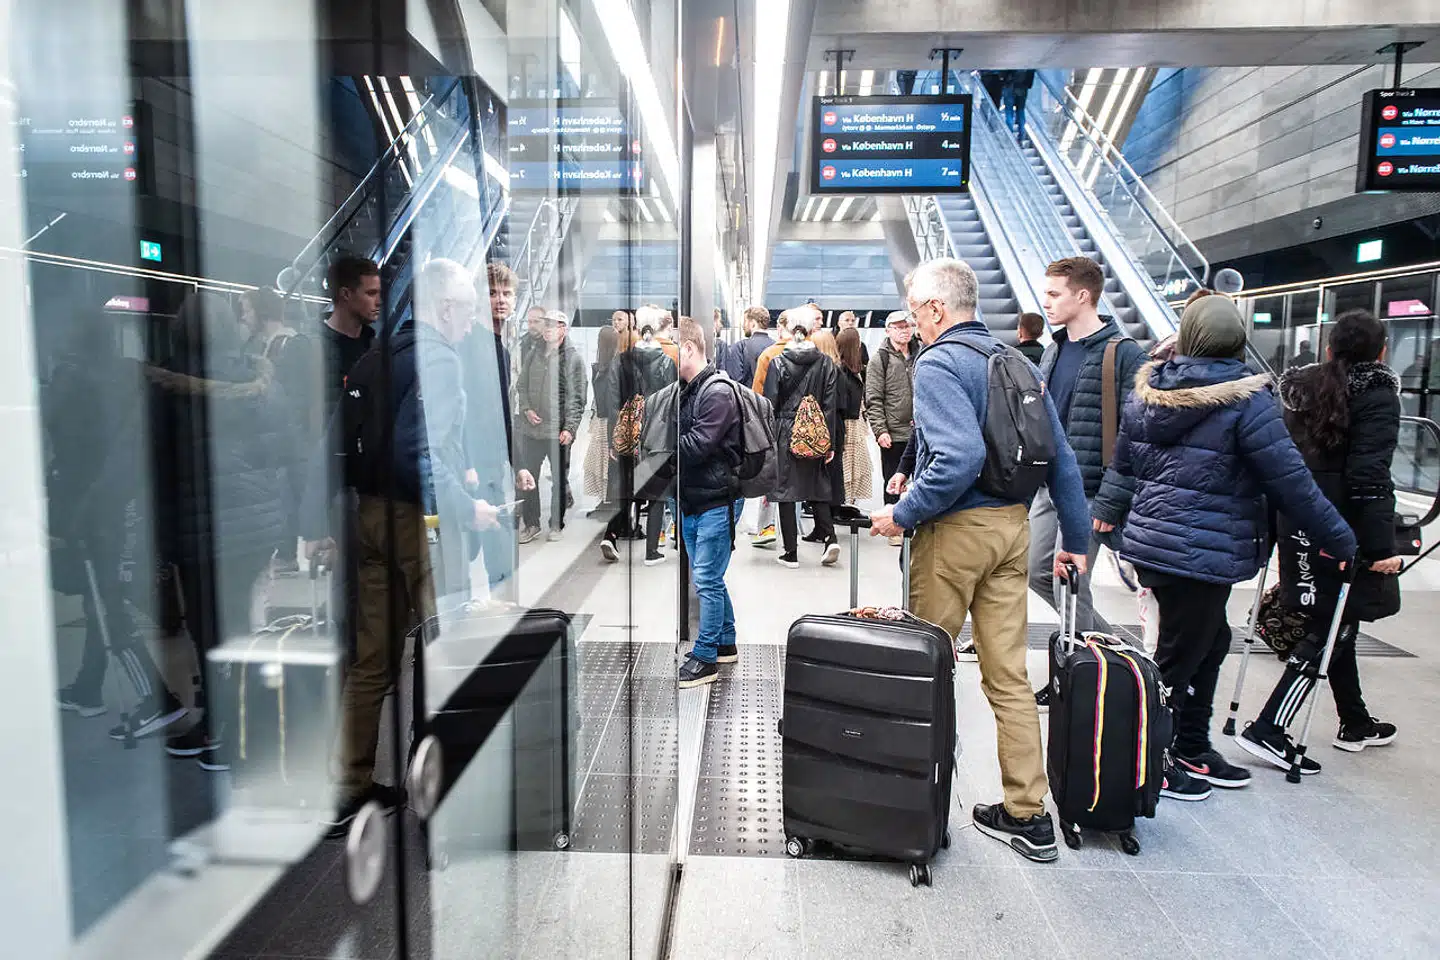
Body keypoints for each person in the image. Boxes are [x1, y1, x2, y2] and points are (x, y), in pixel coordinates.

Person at [869, 258, 1091, 863]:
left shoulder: (939, 361)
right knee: (1009, 676)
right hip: (1012, 531)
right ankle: (1028, 813)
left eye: (915, 310)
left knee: (927, 666)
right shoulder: (1016, 359)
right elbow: (1061, 457)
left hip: (955, 536)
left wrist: (905, 512)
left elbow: (960, 458)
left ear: (937, 309)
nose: (912, 322)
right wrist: (1075, 538)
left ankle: (917, 807)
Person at [1091, 295, 1357, 800]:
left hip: (1157, 544)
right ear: (1237, 341)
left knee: (1208, 643)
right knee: (1179, 657)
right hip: (1202, 550)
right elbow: (1290, 482)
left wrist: (1107, 519)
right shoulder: (1246, 400)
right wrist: (1340, 538)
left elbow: (1122, 466)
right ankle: (1153, 760)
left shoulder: (1150, 392)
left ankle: (1190, 744)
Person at [305, 258, 501, 829]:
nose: (470, 322)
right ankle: (444, 784)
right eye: (466, 310)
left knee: (372, 659)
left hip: (369, 517)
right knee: (447, 651)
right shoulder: (437, 359)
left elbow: (342, 440)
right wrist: (471, 506)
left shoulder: (376, 355)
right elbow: (420, 454)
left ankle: (349, 785)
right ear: (445, 308)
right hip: (418, 525)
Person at [1238, 310, 1404, 772]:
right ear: (1382, 351)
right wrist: (1379, 546)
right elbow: (1370, 475)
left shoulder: (1297, 391)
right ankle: (1269, 726)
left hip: (1297, 517)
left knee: (1336, 620)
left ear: (1330, 348)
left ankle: (1355, 722)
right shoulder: (1377, 394)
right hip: (1342, 526)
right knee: (1331, 625)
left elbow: (1277, 458)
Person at [150, 291, 301, 765]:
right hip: (256, 527)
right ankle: (240, 723)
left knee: (211, 629)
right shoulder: (261, 376)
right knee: (240, 622)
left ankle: (225, 730)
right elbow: (287, 447)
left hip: (202, 527)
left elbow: (155, 463)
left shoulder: (168, 383)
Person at [1026, 257, 1146, 651]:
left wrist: (1111, 501)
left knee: (1069, 579)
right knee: (1037, 571)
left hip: (1092, 490)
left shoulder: (1124, 354)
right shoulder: (1054, 350)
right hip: (1051, 486)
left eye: (1054, 294)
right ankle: (1111, 650)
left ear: (1082, 295)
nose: (1047, 302)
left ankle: (1082, 673)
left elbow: (1136, 434)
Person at [674, 319, 745, 688]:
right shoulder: (689, 390)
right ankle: (725, 641)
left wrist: (660, 449)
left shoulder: (716, 391)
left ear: (688, 348)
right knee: (710, 578)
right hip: (694, 498)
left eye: (671, 347)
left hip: (716, 499)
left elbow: (700, 445)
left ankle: (706, 658)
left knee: (706, 579)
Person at [765, 323, 840, 568]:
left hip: (785, 430)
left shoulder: (777, 362)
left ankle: (791, 552)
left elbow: (770, 404)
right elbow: (829, 405)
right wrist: (828, 442)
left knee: (786, 489)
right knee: (817, 484)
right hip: (815, 430)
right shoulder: (826, 363)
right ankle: (830, 538)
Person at [599, 330, 677, 564]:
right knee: (657, 493)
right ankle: (652, 551)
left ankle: (611, 534)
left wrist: (615, 438)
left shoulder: (619, 362)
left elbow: (612, 402)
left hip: (629, 433)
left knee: (627, 489)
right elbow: (673, 401)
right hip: (657, 436)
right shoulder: (667, 361)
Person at [517, 311, 587, 542]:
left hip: (558, 431)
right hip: (531, 430)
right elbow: (522, 386)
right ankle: (531, 523)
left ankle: (556, 523)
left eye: (552, 326)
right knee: (528, 478)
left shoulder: (572, 359)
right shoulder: (533, 353)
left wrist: (571, 428)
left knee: (559, 480)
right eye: (545, 325)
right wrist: (526, 408)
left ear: (563, 329)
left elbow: (578, 397)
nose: (547, 329)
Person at [867, 311, 921, 545]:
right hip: (894, 431)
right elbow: (874, 397)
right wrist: (880, 430)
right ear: (888, 330)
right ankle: (894, 528)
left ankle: (916, 521)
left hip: (920, 431)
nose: (904, 330)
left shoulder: (922, 352)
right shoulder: (881, 359)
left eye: (907, 326)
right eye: (898, 327)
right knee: (893, 479)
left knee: (919, 478)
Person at [318, 255, 381, 418]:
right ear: (346, 294)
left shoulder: (374, 348)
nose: (379, 301)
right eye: (371, 293)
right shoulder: (312, 347)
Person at [835, 328, 873, 505]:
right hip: (849, 424)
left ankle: (848, 502)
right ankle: (846, 502)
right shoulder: (843, 371)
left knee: (852, 467)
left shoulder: (851, 369)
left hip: (854, 422)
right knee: (849, 467)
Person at [585, 326, 619, 509]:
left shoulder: (602, 366)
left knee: (602, 460)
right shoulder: (613, 364)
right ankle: (607, 498)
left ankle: (606, 499)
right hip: (608, 418)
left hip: (602, 419)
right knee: (606, 460)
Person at [1002, 70, 1036, 141]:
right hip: (1022, 88)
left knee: (1009, 111)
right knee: (1020, 111)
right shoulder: (1029, 63)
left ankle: (1009, 137)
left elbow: (1004, 72)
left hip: (1010, 86)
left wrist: (1003, 79)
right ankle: (1021, 136)